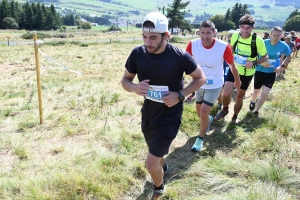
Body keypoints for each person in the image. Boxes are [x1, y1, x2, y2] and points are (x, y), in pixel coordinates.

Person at [121, 12, 206, 199]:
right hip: (149, 114)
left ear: (166, 36)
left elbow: (200, 78)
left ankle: (158, 188)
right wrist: (134, 88)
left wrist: (180, 95)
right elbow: (125, 80)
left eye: (153, 38)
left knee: (151, 163)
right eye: (144, 37)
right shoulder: (137, 54)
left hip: (170, 116)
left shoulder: (180, 56)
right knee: (156, 153)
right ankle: (163, 167)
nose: (147, 42)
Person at [185, 20, 241, 152]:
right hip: (198, 82)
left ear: (214, 33)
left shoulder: (223, 46)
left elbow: (232, 65)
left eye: (208, 33)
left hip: (215, 84)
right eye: (202, 33)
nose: (205, 37)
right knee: (200, 112)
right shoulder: (193, 44)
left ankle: (200, 139)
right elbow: (183, 61)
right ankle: (208, 120)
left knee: (204, 111)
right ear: (199, 32)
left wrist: (237, 81)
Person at [214, 14, 268, 123]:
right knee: (226, 93)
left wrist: (254, 62)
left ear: (252, 28)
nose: (245, 30)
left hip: (247, 73)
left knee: (239, 97)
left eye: (248, 28)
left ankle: (234, 117)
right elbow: (231, 49)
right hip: (234, 69)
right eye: (243, 27)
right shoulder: (235, 36)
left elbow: (265, 56)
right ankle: (225, 110)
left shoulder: (257, 40)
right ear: (239, 27)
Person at [250, 26, 291, 116]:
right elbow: (253, 54)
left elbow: (288, 56)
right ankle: (253, 101)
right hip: (260, 71)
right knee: (256, 92)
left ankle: (256, 110)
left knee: (264, 93)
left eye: (278, 36)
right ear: (270, 35)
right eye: (274, 35)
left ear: (281, 36)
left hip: (272, 72)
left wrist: (282, 66)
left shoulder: (284, 46)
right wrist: (260, 62)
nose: (275, 37)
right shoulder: (263, 43)